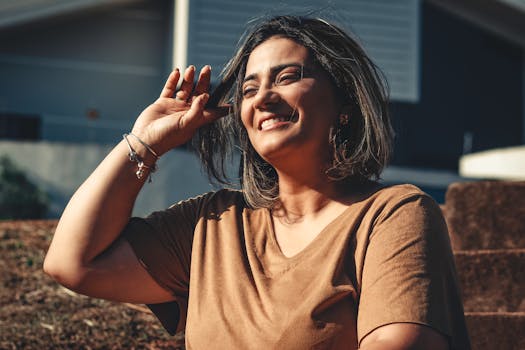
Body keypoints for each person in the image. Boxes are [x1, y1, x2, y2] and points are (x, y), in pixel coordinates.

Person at [44, 15, 471, 349]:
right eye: (249, 89)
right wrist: (143, 142)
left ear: (344, 102)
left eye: (287, 78)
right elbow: (74, 263)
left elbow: (402, 343)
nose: (264, 97)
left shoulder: (392, 214)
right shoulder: (212, 224)